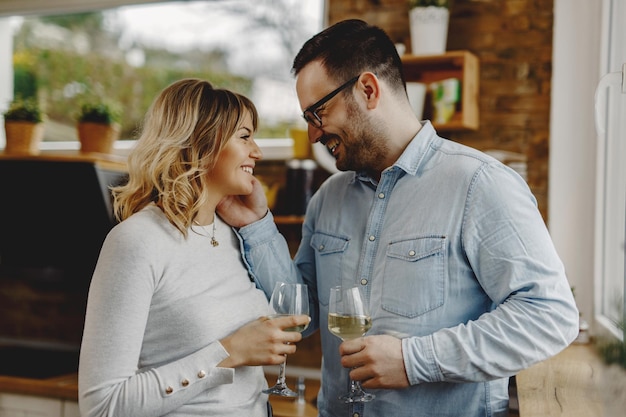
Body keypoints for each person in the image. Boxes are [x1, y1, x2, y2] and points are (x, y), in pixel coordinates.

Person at [217, 19, 580, 417]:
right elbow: (299, 320)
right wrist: (256, 223)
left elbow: (550, 317)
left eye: (318, 113)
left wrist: (413, 360)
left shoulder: (481, 185)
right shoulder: (327, 198)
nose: (314, 134)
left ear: (368, 89)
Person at [78, 78, 310, 417]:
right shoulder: (136, 242)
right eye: (244, 136)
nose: (257, 151)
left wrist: (257, 221)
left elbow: (297, 309)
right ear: (201, 144)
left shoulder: (232, 231)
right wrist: (229, 352)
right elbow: (102, 406)